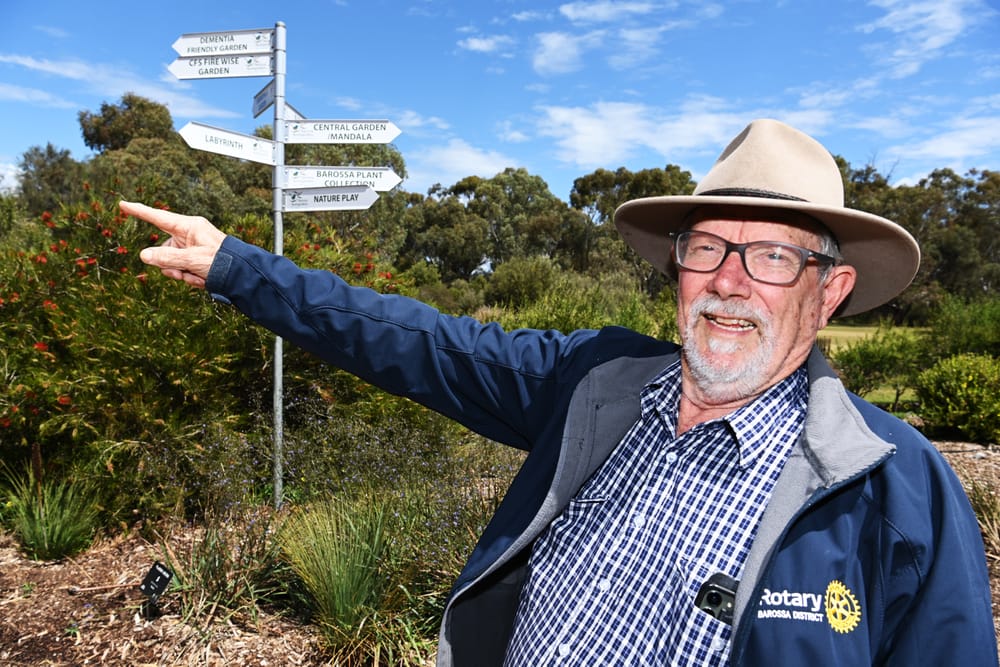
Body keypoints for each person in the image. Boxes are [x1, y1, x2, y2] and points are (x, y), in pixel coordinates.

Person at [121, 118, 997, 666]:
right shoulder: (596, 384)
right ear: (677, 268)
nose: (731, 282)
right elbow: (417, 341)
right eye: (707, 248)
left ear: (829, 290)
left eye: (772, 255)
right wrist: (242, 268)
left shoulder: (898, 490)